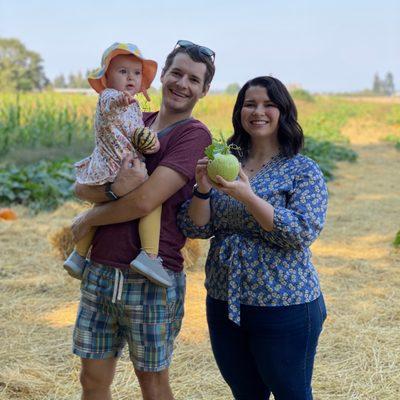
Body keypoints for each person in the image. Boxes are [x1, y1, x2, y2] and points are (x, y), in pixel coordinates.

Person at [70, 40, 215, 400]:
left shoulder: (193, 135)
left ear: (204, 90)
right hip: (102, 269)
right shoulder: (136, 120)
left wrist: (88, 221)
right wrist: (112, 190)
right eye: (177, 73)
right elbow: (84, 188)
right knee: (91, 380)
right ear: (163, 76)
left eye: (194, 79)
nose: (182, 84)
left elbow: (147, 199)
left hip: (151, 276)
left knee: (151, 384)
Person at [178, 76, 328, 400]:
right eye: (250, 104)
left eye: (268, 104)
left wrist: (248, 197)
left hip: (284, 305)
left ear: (283, 112)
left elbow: (301, 231)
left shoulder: (302, 170)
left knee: (292, 394)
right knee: (245, 394)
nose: (258, 111)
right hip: (224, 301)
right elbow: (196, 229)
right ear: (240, 111)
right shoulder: (227, 163)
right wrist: (202, 188)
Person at [63, 42, 172, 287]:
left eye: (135, 73)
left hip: (112, 164)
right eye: (122, 72)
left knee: (99, 207)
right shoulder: (110, 97)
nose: (130, 78)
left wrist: (149, 143)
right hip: (117, 164)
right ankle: (150, 255)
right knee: (152, 202)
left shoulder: (133, 108)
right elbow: (109, 104)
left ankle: (78, 255)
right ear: (107, 77)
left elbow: (136, 134)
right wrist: (120, 99)